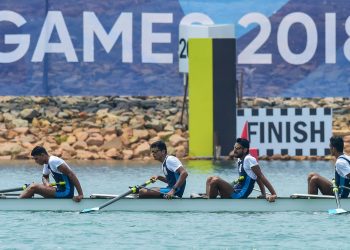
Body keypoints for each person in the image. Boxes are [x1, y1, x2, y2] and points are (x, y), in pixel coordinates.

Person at [204, 138, 277, 202]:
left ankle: (210, 204)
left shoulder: (249, 159)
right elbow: (257, 177)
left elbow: (260, 176)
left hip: (239, 195)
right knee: (210, 179)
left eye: (237, 148)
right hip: (235, 190)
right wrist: (263, 194)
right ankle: (208, 199)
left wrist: (273, 194)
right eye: (234, 148)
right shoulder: (239, 159)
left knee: (215, 181)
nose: (234, 150)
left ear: (245, 150)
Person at [19, 146, 84, 202]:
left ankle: (17, 203)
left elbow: (72, 175)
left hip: (66, 192)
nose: (36, 161)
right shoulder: (47, 163)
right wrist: (46, 183)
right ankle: (23, 203)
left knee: (33, 186)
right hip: (59, 190)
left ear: (42, 155)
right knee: (33, 188)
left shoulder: (53, 161)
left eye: (36, 158)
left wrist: (80, 194)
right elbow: (44, 177)